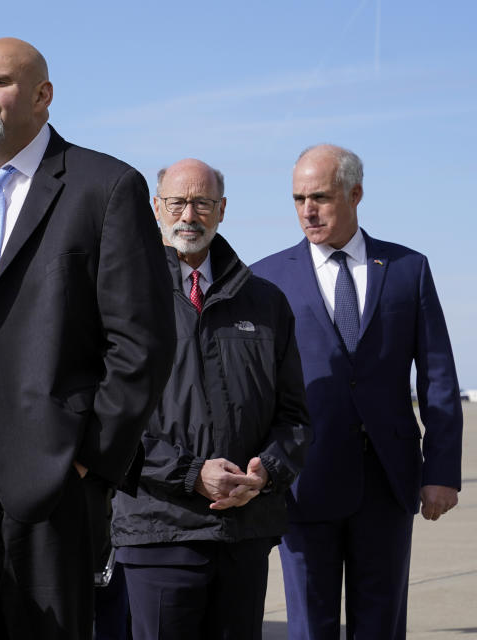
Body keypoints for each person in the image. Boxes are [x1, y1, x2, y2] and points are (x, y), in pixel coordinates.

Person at [0, 37, 175, 640]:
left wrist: (89, 458)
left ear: (43, 96)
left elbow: (141, 344)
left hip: (53, 476)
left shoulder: (105, 187)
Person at [252, 144, 463, 639]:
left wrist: (443, 471)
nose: (308, 210)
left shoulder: (409, 269)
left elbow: (438, 377)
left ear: (356, 194)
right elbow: (254, 387)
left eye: (321, 197)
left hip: (388, 482)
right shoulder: (266, 277)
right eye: (299, 198)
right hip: (302, 484)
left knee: (382, 622)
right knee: (309, 623)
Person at [109, 159, 310, 639]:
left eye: (202, 203)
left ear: (221, 210)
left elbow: (295, 417)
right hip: (157, 533)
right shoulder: (118, 298)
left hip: (244, 531)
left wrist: (267, 471)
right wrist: (189, 475)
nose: (189, 215)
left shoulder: (266, 303)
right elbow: (105, 421)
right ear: (156, 209)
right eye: (177, 203)